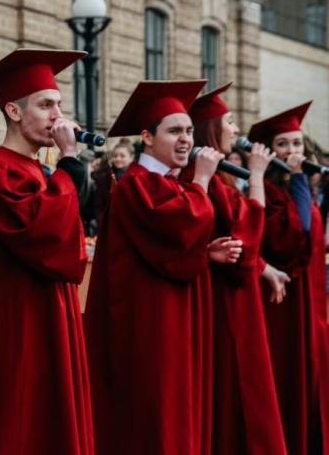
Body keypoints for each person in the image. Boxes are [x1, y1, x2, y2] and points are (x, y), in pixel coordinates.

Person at [0, 48, 94, 455]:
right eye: (46, 105)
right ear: (14, 112)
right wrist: (69, 160)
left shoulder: (34, 168)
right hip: (16, 324)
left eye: (60, 105)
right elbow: (46, 232)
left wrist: (66, 169)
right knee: (22, 424)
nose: (58, 115)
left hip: (47, 312)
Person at [83, 80, 229, 455]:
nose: (185, 139)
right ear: (147, 137)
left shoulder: (169, 184)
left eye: (189, 131)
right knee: (157, 413)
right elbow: (180, 227)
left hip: (174, 315)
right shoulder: (137, 184)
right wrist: (201, 180)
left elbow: (172, 248)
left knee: (179, 407)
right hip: (149, 321)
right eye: (174, 131)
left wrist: (203, 254)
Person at [187, 83, 287, 455]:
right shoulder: (209, 182)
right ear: (211, 129)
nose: (235, 130)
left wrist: (264, 268)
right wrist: (257, 176)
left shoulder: (219, 180)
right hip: (224, 302)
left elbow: (241, 247)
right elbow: (243, 243)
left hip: (233, 297)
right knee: (238, 393)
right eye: (229, 122)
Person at [248, 102, 329, 455]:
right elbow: (291, 239)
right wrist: (298, 180)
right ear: (269, 151)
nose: (293, 151)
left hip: (312, 302)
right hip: (283, 304)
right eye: (283, 144)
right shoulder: (269, 194)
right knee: (289, 376)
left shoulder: (300, 191)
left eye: (297, 144)